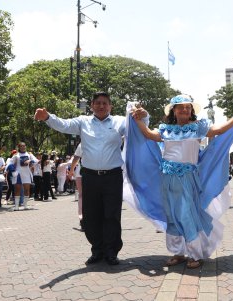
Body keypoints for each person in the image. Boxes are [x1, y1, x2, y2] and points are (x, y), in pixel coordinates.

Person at [127, 95, 233, 268]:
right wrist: (137, 119)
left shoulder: (198, 128)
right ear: (174, 110)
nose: (184, 110)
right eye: (180, 107)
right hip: (167, 177)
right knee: (171, 214)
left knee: (186, 214)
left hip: (187, 178)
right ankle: (178, 252)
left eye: (187, 107)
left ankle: (195, 254)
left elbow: (219, 130)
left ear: (191, 111)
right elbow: (148, 134)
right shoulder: (166, 129)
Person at [34, 91, 149, 266]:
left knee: (111, 215)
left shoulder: (120, 121)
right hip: (89, 176)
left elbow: (139, 129)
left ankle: (111, 252)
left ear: (110, 106)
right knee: (91, 215)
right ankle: (97, 250)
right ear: (92, 106)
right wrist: (47, 117)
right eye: (98, 103)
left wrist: (144, 116)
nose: (101, 106)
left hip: (112, 176)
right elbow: (64, 125)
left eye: (105, 103)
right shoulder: (83, 122)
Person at [11, 142, 37, 211]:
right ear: (19, 147)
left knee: (27, 189)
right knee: (17, 189)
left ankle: (25, 205)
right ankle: (16, 206)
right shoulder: (16, 155)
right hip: (18, 174)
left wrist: (30, 161)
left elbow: (36, 160)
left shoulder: (29, 154)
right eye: (21, 146)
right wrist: (12, 170)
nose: (23, 147)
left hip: (26, 173)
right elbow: (10, 163)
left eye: (24, 146)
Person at [68, 143, 83, 229]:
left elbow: (76, 158)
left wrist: (71, 171)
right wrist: (71, 171)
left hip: (82, 172)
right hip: (85, 173)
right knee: (82, 196)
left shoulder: (82, 144)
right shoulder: (82, 144)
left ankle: (83, 218)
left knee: (82, 196)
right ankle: (82, 218)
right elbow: (76, 158)